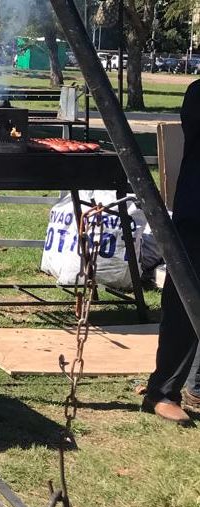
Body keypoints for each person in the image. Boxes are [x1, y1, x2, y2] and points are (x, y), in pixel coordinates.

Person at [141, 79, 200, 426]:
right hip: (198, 214)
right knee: (184, 300)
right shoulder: (197, 93)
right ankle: (162, 392)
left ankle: (197, 385)